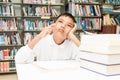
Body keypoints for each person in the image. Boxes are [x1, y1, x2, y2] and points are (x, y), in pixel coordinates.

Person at [15, 13, 81, 63]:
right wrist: (39, 36)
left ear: (72, 30)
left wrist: (72, 36)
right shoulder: (42, 40)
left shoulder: (73, 44)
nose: (63, 26)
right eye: (60, 22)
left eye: (68, 25)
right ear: (54, 24)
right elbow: (19, 59)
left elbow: (88, 63)